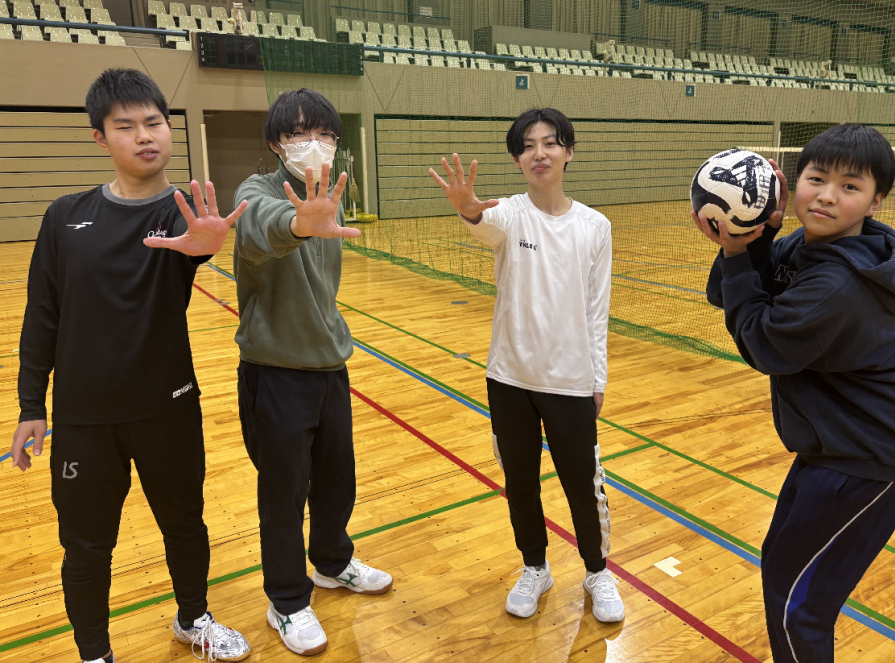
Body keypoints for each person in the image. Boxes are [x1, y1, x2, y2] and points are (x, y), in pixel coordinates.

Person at [10, 68, 252, 662]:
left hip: (168, 408)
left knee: (185, 523)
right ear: (100, 138)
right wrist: (30, 405)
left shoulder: (188, 215)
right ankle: (94, 653)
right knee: (86, 547)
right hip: (84, 419)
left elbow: (198, 247)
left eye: (154, 122)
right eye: (126, 126)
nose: (145, 135)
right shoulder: (65, 217)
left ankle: (193, 619)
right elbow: (42, 314)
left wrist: (203, 249)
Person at [693, 124, 895, 661]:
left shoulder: (839, 282)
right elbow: (728, 292)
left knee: (798, 603)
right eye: (817, 178)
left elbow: (764, 345)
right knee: (783, 568)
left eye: (849, 186)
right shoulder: (804, 247)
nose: (827, 195)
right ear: (793, 182)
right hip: (837, 441)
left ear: (875, 201)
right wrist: (753, 238)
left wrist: (739, 254)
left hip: (874, 454)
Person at [430, 107, 623, 624]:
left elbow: (597, 311)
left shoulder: (595, 226)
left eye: (550, 142)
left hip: (571, 381)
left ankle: (598, 571)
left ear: (568, 152)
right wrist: (467, 209)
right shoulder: (509, 214)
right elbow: (482, 222)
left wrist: (597, 378)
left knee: (584, 485)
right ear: (517, 159)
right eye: (528, 145)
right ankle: (535, 567)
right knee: (520, 483)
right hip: (509, 379)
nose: (540, 153)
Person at [232, 88, 393, 656]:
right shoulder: (255, 192)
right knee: (283, 494)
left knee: (335, 481)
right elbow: (264, 228)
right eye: (300, 133)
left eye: (325, 134)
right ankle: (286, 600)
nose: (314, 143)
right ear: (277, 143)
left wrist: (316, 216)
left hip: (329, 364)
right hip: (275, 370)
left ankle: (331, 562)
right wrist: (300, 225)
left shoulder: (331, 197)